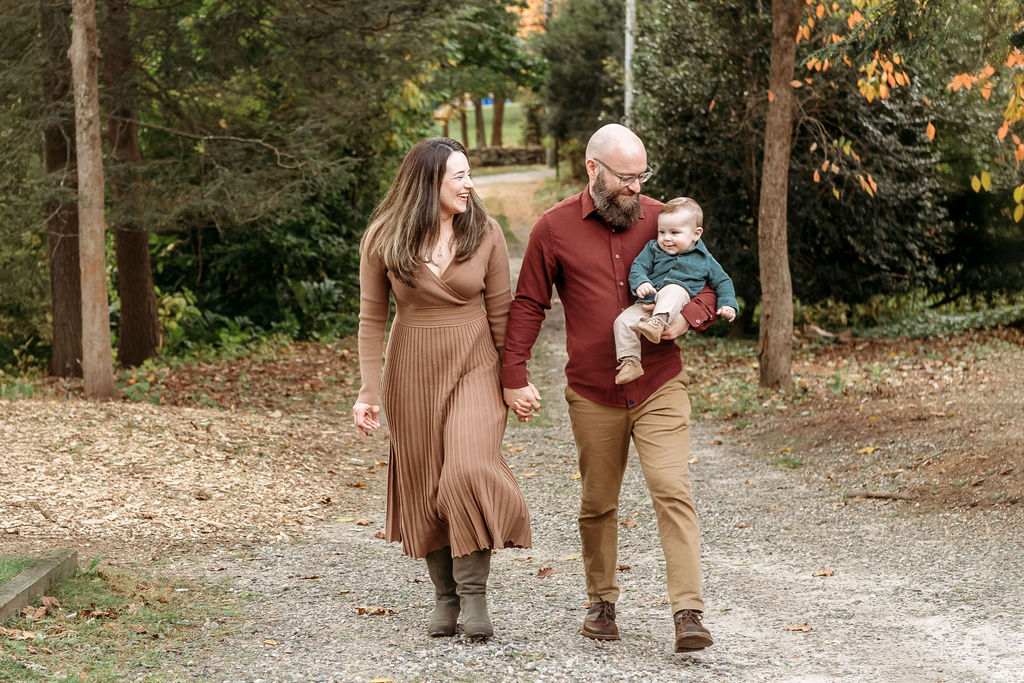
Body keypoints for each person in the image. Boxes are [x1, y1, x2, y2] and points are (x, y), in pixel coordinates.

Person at [502, 124, 717, 652]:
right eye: (626, 177)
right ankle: (602, 603)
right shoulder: (552, 229)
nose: (636, 187)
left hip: (660, 383)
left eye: (643, 175)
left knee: (672, 490)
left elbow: (709, 283)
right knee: (598, 501)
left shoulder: (665, 219)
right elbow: (530, 303)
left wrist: (687, 320)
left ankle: (688, 613)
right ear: (593, 169)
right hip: (594, 390)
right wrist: (514, 373)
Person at [351, 137, 531, 640]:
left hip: (475, 363)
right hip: (410, 370)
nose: (469, 184)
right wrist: (368, 393)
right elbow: (371, 318)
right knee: (427, 482)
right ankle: (446, 598)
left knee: (468, 468)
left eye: (469, 174)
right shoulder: (384, 238)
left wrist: (515, 382)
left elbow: (502, 313)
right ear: (428, 181)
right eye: (459, 176)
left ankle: (474, 595)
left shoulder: (486, 233)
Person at [612, 197, 739, 384]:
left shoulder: (704, 259)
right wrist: (641, 283)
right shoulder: (653, 249)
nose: (666, 238)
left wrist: (728, 304)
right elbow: (638, 266)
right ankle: (630, 361)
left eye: (674, 233)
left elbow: (723, 281)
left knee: (673, 289)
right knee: (622, 321)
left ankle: (658, 322)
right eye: (661, 232)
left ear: (696, 234)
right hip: (649, 302)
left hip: (677, 300)